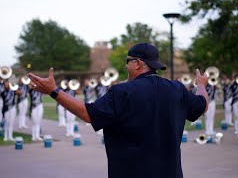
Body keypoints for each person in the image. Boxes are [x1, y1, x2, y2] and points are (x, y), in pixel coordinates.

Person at [28, 43, 208, 178]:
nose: (125, 66)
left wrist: (54, 91)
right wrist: (201, 85)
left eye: (127, 62)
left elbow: (88, 114)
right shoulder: (176, 89)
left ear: (137, 63)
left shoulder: (122, 91)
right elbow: (202, 105)